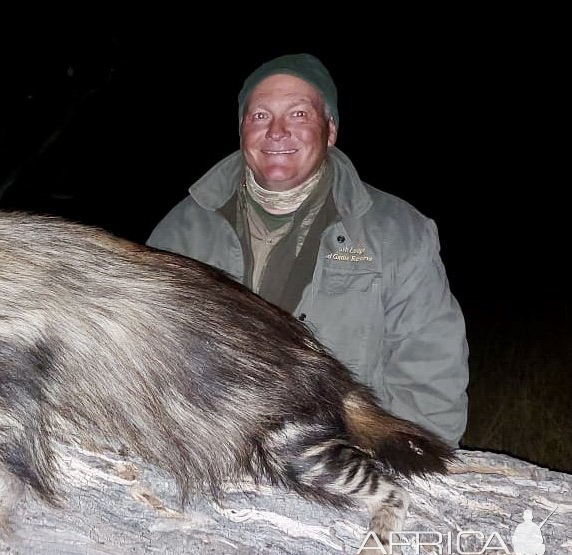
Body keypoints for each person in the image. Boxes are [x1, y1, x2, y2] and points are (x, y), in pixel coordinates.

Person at [148, 53, 468, 447]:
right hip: (213, 452)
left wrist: (403, 464)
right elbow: (145, 361)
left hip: (348, 458)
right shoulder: (181, 232)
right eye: (260, 116)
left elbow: (431, 375)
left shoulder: (399, 233)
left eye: (298, 114)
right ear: (242, 130)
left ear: (330, 130)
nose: (277, 131)